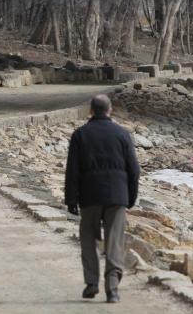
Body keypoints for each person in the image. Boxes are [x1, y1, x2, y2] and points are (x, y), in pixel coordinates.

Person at [64, 94, 140, 304]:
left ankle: (91, 283)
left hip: (89, 196)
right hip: (117, 196)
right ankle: (112, 288)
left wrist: (71, 199)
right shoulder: (122, 134)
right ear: (110, 110)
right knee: (114, 242)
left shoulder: (80, 135)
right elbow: (134, 170)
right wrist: (130, 197)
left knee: (88, 239)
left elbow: (72, 171)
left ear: (91, 111)